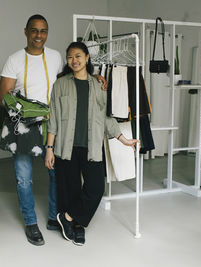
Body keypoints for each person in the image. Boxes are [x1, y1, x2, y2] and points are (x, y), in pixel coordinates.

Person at [0, 14, 108, 246]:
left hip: (53, 121)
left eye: (43, 31)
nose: (39, 35)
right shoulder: (14, 59)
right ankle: (30, 222)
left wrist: (94, 77)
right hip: (24, 125)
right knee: (24, 178)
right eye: (34, 30)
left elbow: (72, 76)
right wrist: (28, 109)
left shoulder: (57, 56)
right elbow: (3, 98)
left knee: (57, 175)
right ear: (26, 31)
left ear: (47, 33)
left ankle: (53, 218)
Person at [45, 42, 139, 246]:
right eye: (70, 57)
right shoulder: (60, 84)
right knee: (70, 189)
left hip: (92, 146)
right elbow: (53, 118)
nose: (74, 60)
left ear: (87, 58)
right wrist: (49, 149)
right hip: (65, 147)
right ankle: (76, 228)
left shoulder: (98, 85)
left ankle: (68, 218)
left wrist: (123, 140)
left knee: (96, 188)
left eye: (78, 56)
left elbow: (106, 117)